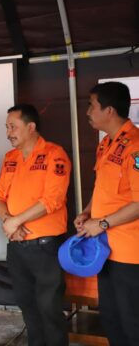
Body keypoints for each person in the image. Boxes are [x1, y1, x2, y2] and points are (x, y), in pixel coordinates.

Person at [0, 104, 70, 346]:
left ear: (31, 126)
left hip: (46, 248)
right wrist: (8, 221)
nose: (8, 132)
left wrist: (17, 220)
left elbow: (53, 199)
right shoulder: (10, 158)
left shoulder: (55, 154)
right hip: (17, 246)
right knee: (28, 307)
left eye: (13, 126)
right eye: (6, 127)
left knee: (50, 310)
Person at [74, 82, 139, 346]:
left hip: (130, 254)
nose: (88, 111)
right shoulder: (106, 145)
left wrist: (100, 223)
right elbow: (104, 187)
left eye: (92, 105)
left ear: (109, 110)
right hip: (105, 250)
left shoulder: (135, 146)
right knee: (111, 318)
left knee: (132, 322)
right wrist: (88, 211)